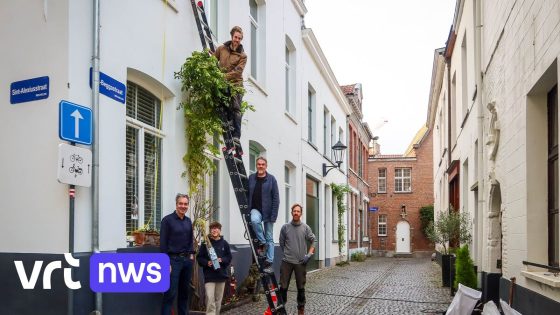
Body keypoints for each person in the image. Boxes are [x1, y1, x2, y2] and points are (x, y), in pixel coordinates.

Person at [160, 193, 195, 315]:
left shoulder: (188, 221)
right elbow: (163, 244)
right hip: (172, 262)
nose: (183, 206)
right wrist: (166, 263)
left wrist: (191, 257)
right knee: (170, 294)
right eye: (181, 203)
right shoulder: (167, 220)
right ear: (176, 204)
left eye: (185, 204)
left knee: (184, 294)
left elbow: (191, 241)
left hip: (187, 262)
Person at [279, 203, 316, 315]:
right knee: (283, 286)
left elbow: (314, 240)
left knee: (300, 287)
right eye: (294, 211)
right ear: (291, 212)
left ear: (301, 213)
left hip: (301, 263)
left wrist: (309, 255)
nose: (296, 213)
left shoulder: (305, 228)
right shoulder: (285, 227)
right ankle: (281, 308)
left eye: (298, 211)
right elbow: (281, 243)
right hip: (287, 262)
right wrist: (288, 253)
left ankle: (301, 309)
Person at [213, 26, 247, 144]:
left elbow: (238, 72)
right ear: (232, 36)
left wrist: (223, 77)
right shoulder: (222, 49)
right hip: (223, 84)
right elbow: (213, 60)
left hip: (236, 84)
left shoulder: (242, 56)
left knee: (236, 108)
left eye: (239, 38)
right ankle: (229, 124)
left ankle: (236, 135)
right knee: (224, 104)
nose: (237, 40)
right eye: (235, 37)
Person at [248, 156, 279, 273]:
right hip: (255, 209)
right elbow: (247, 194)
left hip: (268, 212)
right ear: (256, 165)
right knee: (255, 220)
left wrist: (274, 215)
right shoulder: (251, 178)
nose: (260, 166)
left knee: (270, 236)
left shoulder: (272, 179)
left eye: (263, 164)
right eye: (258, 164)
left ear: (266, 166)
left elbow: (276, 198)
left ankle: (269, 261)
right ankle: (263, 242)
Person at [197, 221, 232, 315]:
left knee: (218, 300)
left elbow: (229, 257)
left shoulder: (224, 243)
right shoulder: (205, 244)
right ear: (210, 230)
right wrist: (207, 262)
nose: (214, 230)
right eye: (212, 228)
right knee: (209, 298)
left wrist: (222, 260)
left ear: (220, 230)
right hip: (209, 276)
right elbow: (199, 258)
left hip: (221, 275)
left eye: (216, 228)